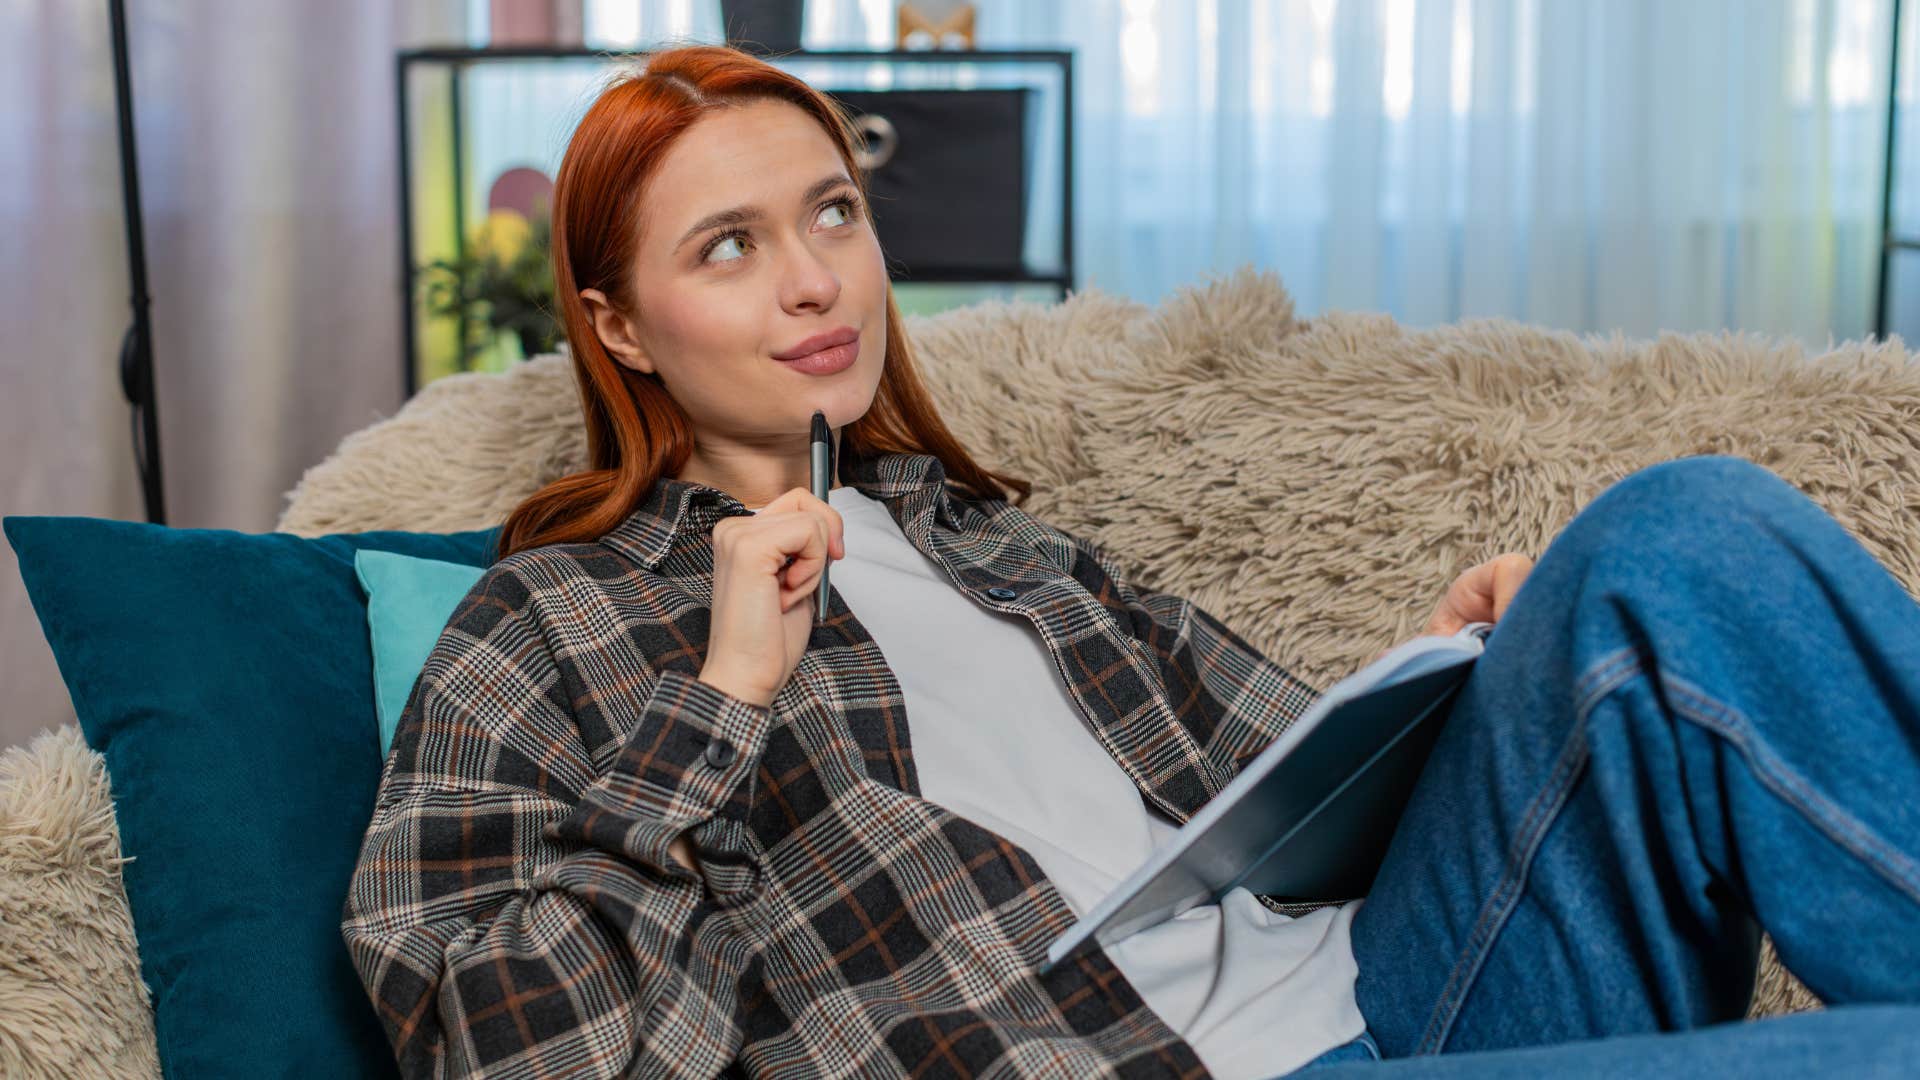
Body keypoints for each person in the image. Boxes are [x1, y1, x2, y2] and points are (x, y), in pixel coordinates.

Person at [339, 44, 1920, 1079]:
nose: (816, 279)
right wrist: (728, 697)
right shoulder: (539, 626)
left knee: (1670, 540)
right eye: (730, 246)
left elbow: (1296, 813)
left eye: (831, 212)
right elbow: (520, 1053)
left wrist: (1456, 681)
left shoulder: (1007, 549)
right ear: (619, 324)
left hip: (1399, 997)